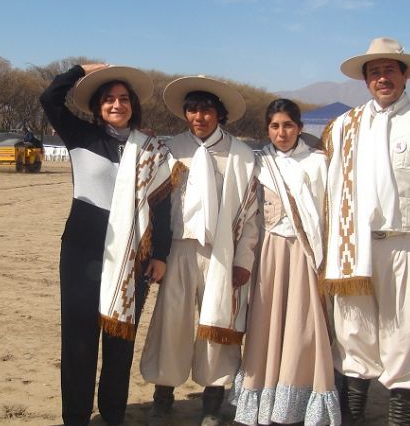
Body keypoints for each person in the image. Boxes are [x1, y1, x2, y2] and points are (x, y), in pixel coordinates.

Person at [323, 38, 410, 426]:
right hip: (355, 248)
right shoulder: (343, 127)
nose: (381, 78)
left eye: (389, 70)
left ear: (404, 75)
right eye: (374, 72)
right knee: (353, 335)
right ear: (365, 80)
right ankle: (352, 418)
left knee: (407, 337)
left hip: (408, 246)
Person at [39, 64, 175, 426]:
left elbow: (162, 207)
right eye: (110, 99)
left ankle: (113, 415)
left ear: (134, 106)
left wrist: (161, 254)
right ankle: (77, 418)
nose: (117, 104)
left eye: (124, 99)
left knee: (120, 342)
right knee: (79, 342)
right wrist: (81, 69)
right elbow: (49, 98)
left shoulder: (150, 149)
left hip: (134, 257)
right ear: (98, 105)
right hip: (82, 250)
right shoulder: (80, 134)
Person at [140, 76, 259, 426]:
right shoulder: (170, 149)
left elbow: (250, 216)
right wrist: (156, 253)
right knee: (170, 322)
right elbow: (156, 204)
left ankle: (212, 400)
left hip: (220, 253)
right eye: (192, 109)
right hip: (177, 248)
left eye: (206, 110)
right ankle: (163, 397)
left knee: (217, 323)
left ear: (219, 114)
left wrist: (243, 260)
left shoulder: (241, 155)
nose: (198, 116)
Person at [231, 99, 340, 426]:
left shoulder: (319, 163)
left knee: (304, 328)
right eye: (275, 126)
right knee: (265, 326)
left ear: (300, 128)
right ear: (268, 129)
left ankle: (298, 403)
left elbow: (329, 215)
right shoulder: (259, 163)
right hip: (269, 255)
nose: (282, 132)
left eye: (288, 125)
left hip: (307, 256)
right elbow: (249, 215)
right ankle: (261, 400)